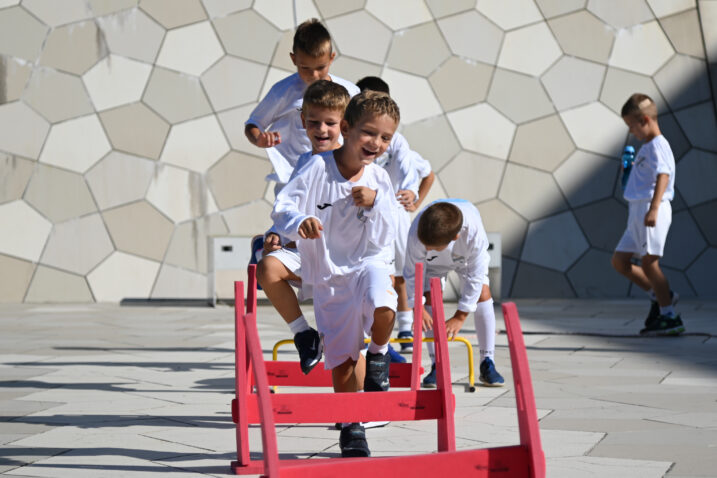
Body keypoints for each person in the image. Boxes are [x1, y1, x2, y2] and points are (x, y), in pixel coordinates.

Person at [272, 91, 401, 458]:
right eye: (369, 133)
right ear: (346, 128)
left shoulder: (379, 178)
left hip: (369, 263)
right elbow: (283, 208)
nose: (376, 143)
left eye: (385, 137)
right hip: (330, 274)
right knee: (343, 361)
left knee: (383, 305)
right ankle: (351, 426)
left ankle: (379, 355)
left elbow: (389, 232)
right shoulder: (315, 167)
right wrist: (301, 222)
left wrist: (376, 203)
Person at [256, 80, 350, 375]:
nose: (321, 129)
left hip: (343, 262)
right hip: (308, 254)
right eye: (314, 122)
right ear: (302, 122)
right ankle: (303, 334)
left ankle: (378, 358)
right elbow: (288, 205)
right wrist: (279, 232)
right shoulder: (304, 161)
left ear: (344, 125)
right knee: (267, 268)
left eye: (330, 123)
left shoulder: (353, 163)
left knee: (342, 342)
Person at [355, 76, 435, 357]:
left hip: (391, 213)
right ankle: (367, 333)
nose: (378, 141)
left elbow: (423, 173)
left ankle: (402, 328)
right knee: (367, 273)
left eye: (384, 137)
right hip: (358, 213)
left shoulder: (399, 143)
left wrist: (414, 197)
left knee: (397, 273)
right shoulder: (349, 137)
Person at [244, 18, 359, 191]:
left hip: (337, 178)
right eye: (305, 68)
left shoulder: (350, 91)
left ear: (331, 58)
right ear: (294, 59)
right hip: (295, 178)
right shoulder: (283, 91)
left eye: (321, 67)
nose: (314, 75)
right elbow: (253, 123)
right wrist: (259, 139)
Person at [403, 199, 504, 387]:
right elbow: (411, 272)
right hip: (431, 267)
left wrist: (460, 315)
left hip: (464, 261)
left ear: (455, 237)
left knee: (482, 292)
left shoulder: (474, 235)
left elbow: (475, 276)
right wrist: (417, 304)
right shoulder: (417, 231)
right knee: (430, 299)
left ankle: (487, 362)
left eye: (431, 247)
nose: (427, 249)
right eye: (426, 245)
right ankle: (437, 365)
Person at [611, 93, 683, 335]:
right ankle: (662, 296)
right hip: (637, 210)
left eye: (632, 125)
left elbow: (664, 175)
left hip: (651, 208)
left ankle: (669, 316)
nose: (632, 131)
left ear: (644, 119)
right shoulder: (647, 147)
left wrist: (653, 208)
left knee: (649, 262)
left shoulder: (658, 145)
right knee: (620, 261)